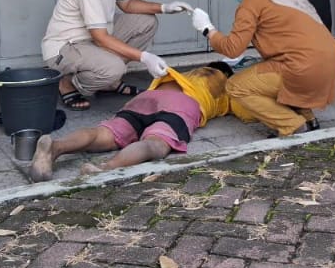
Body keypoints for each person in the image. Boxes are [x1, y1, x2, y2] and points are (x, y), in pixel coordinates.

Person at [188, 0, 335, 137]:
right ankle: (309, 120)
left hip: (303, 66)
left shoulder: (251, 2)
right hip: (330, 60)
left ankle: (291, 125)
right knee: (269, 75)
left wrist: (207, 29)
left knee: (236, 86)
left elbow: (232, 48)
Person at [41, 0, 192, 109]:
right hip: (66, 47)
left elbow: (126, 4)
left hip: (94, 37)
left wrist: (164, 8)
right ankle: (68, 84)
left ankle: (108, 82)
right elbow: (100, 37)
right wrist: (145, 57)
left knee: (147, 22)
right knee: (114, 68)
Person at [27, 62, 234, 181]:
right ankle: (107, 168)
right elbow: (242, 103)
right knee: (155, 143)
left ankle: (54, 148)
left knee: (103, 134)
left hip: (146, 98)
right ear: (225, 74)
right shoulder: (224, 84)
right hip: (181, 105)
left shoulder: (182, 75)